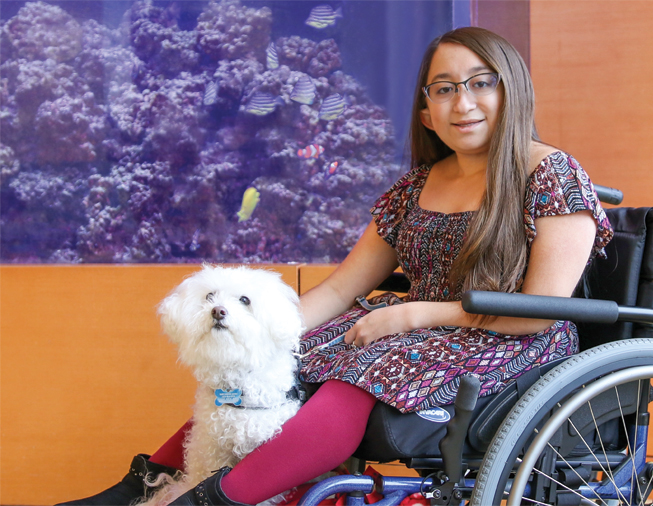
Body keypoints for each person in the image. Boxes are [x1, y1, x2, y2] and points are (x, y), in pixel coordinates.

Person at [58, 26, 613, 506]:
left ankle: (218, 498)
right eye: (445, 89)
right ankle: (148, 483)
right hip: (413, 332)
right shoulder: (416, 187)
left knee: (362, 368)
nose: (463, 103)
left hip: (508, 340)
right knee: (289, 355)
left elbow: (543, 310)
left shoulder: (552, 173)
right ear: (426, 110)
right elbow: (344, 286)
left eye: (480, 83)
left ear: (511, 88)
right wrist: (266, 333)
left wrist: (413, 316)